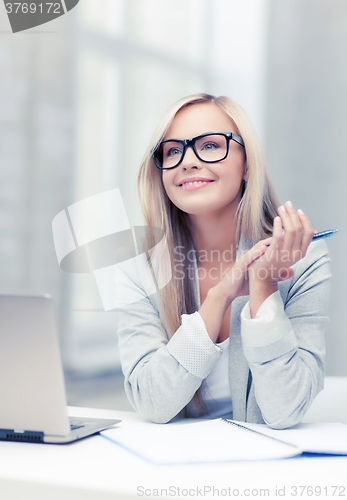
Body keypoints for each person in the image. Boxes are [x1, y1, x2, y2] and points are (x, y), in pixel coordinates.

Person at [116, 93, 331, 428]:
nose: (187, 161)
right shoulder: (137, 268)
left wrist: (264, 285)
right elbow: (153, 402)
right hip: (171, 466)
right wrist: (218, 299)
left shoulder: (304, 260)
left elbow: (285, 410)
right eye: (173, 150)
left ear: (247, 165)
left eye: (211, 145)